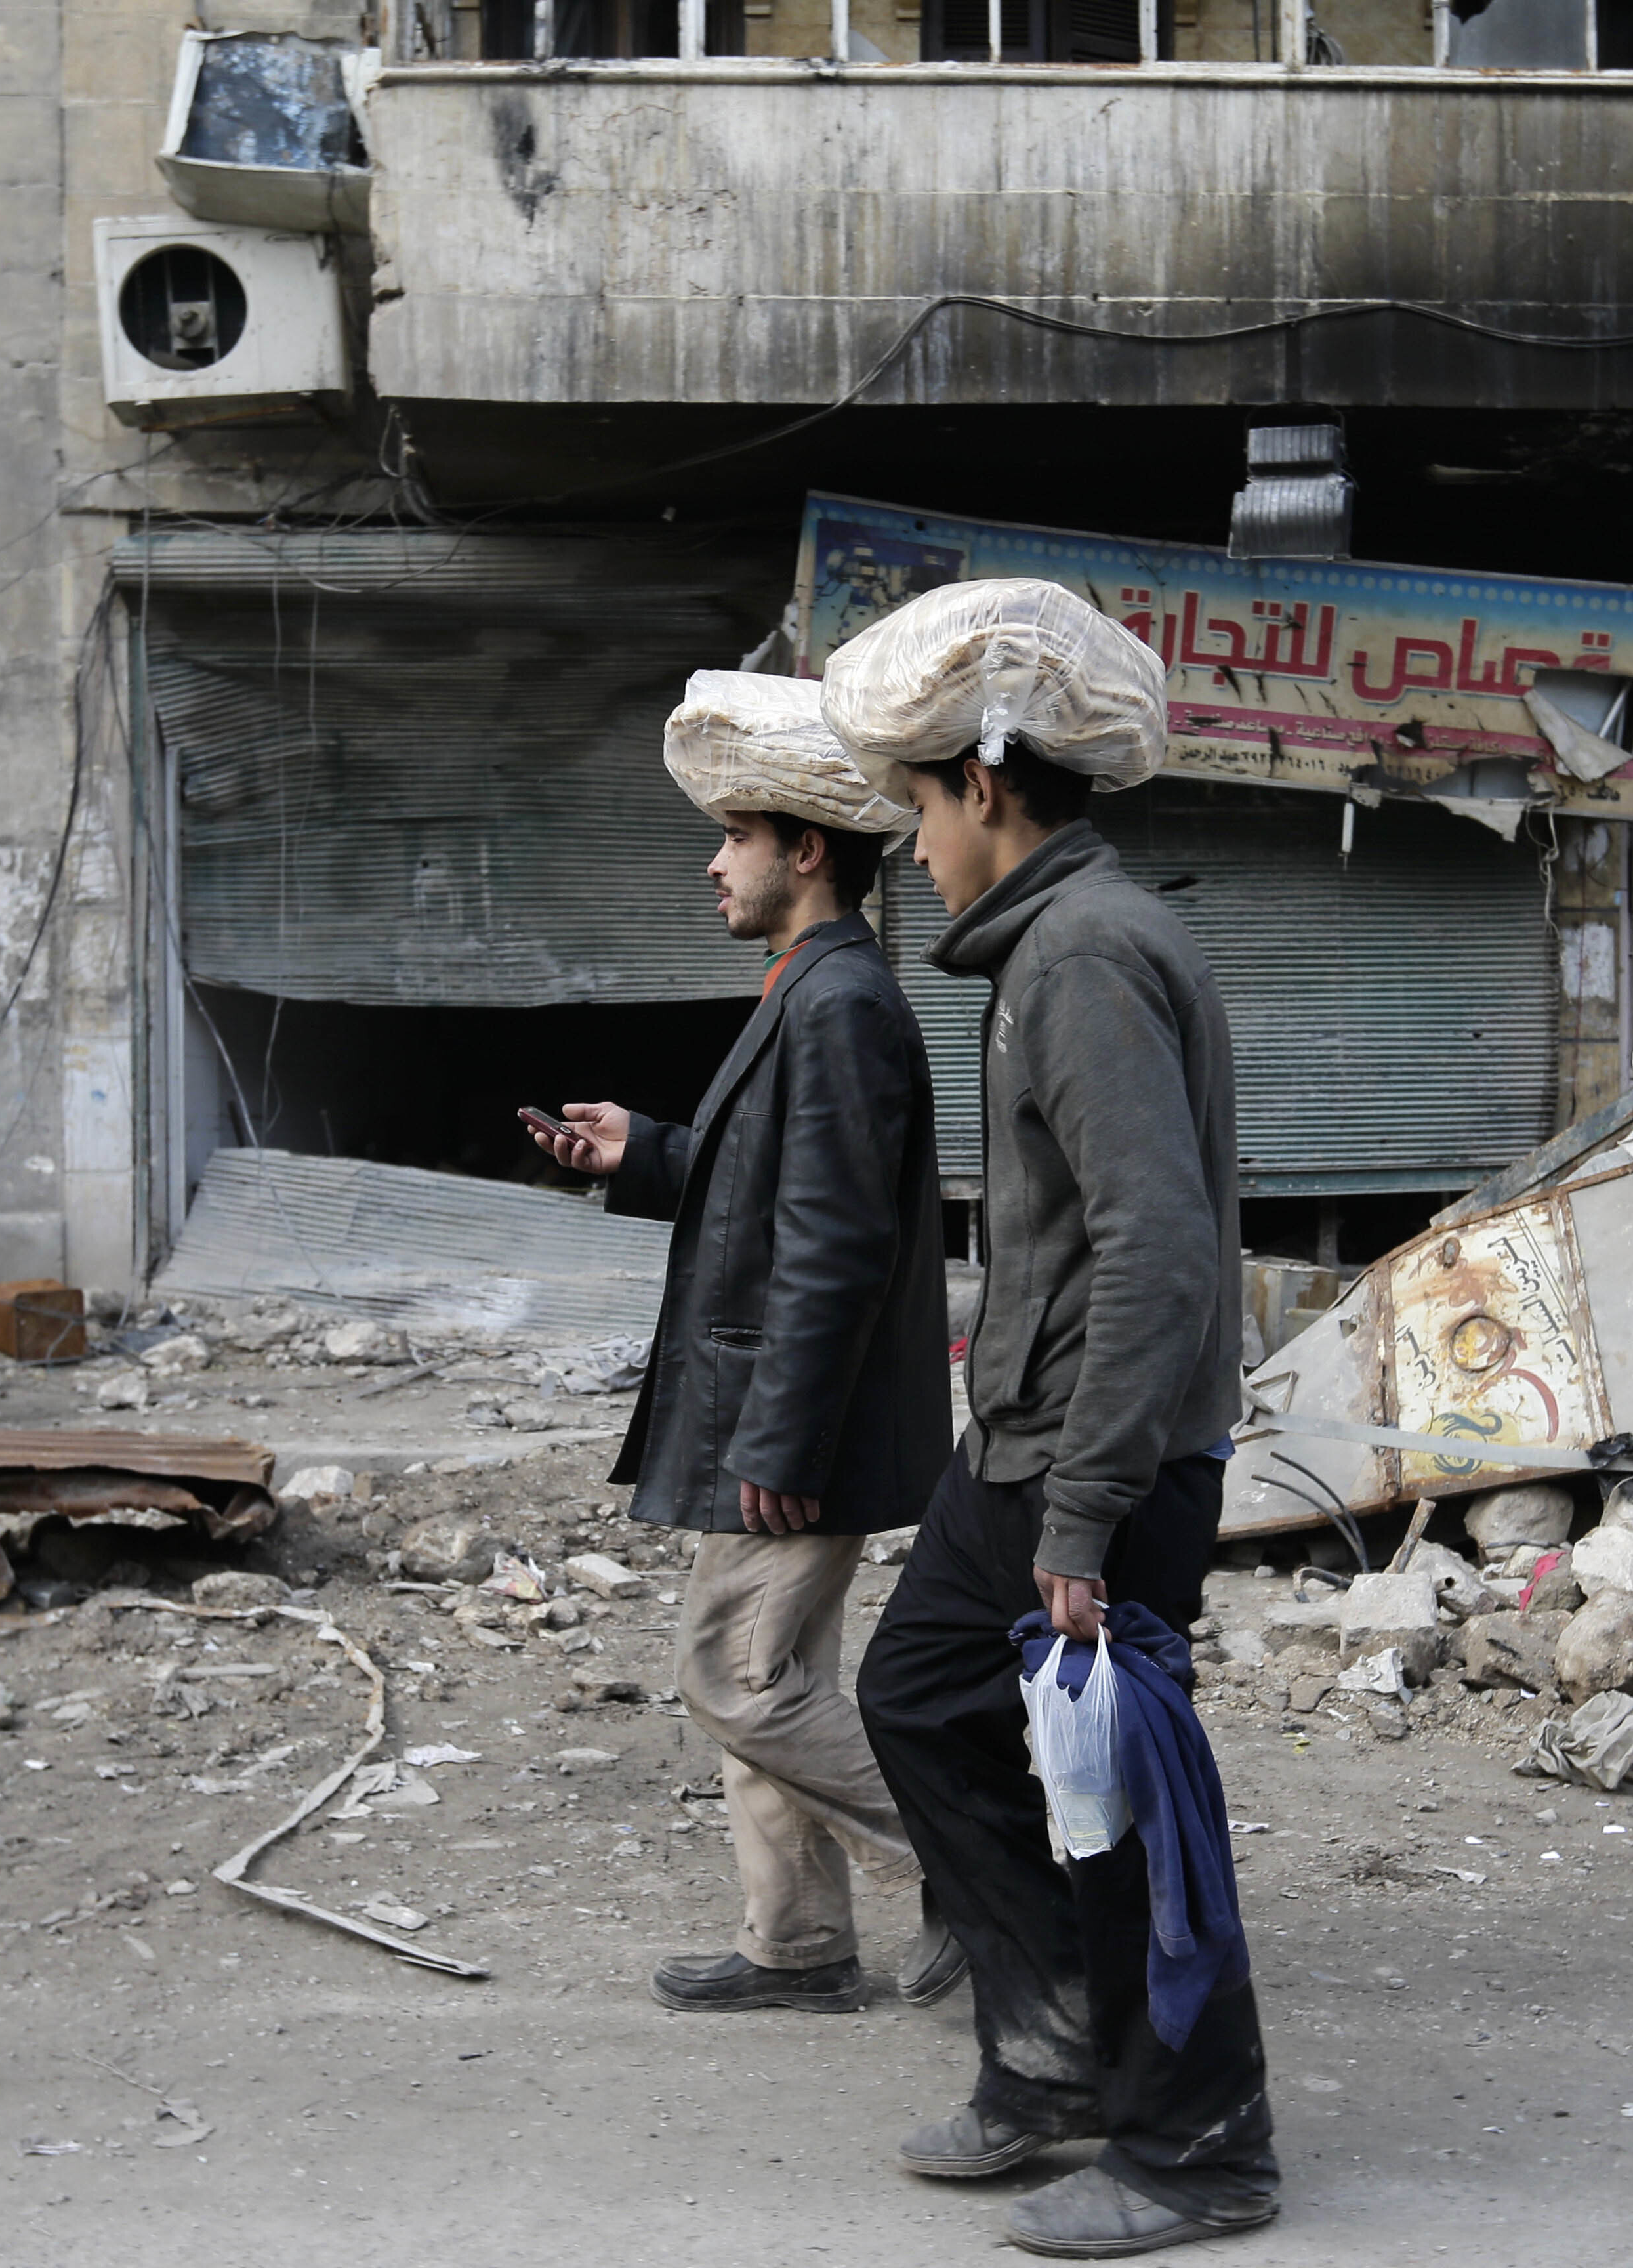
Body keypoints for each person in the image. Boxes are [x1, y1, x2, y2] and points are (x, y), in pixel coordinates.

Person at [854, 724, 1278, 2257]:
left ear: (984, 789)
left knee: (1120, 1801)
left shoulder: (1086, 954)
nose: (913, 846)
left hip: (1098, 1464)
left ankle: (1198, 2150)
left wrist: (1090, 1508)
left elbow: (1156, 1249)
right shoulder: (1062, 943)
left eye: (918, 808)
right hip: (1026, 1451)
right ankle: (1046, 2054)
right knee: (916, 1697)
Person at [532, 682, 961, 2017]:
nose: (713, 861)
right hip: (779, 1413)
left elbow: (832, 1246)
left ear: (807, 850)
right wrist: (648, 1152)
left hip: (795, 1424)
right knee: (768, 1677)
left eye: (734, 835)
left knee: (735, 1678)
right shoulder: (812, 990)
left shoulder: (839, 1004)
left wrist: (779, 1440)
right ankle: (799, 1948)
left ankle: (986, 1872)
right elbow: (781, 1190)